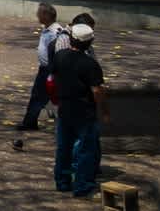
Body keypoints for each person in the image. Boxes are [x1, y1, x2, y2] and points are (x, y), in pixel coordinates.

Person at [51, 22, 108, 196]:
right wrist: (103, 111)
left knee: (64, 148)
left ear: (71, 39)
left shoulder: (59, 56)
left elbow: (53, 78)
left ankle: (62, 182)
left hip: (65, 109)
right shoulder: (90, 65)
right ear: (89, 43)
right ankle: (82, 186)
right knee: (85, 150)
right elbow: (97, 90)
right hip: (85, 113)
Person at [18, 3, 65, 131]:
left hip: (50, 69)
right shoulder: (47, 29)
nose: (37, 16)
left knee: (40, 96)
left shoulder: (55, 32)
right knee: (38, 96)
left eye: (39, 13)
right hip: (44, 68)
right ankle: (30, 121)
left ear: (46, 15)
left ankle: (30, 122)